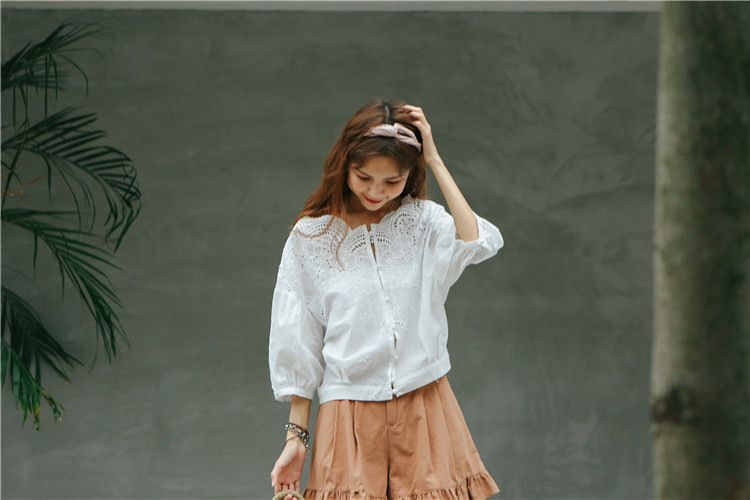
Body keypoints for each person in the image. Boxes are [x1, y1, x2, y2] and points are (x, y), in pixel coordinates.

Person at [269, 99, 503, 499]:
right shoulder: (311, 237)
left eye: (392, 181)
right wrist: (296, 437)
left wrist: (435, 159)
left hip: (425, 402)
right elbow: (298, 339)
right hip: (348, 414)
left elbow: (476, 241)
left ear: (409, 175)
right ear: (344, 164)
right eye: (364, 177)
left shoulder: (424, 223)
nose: (376, 192)